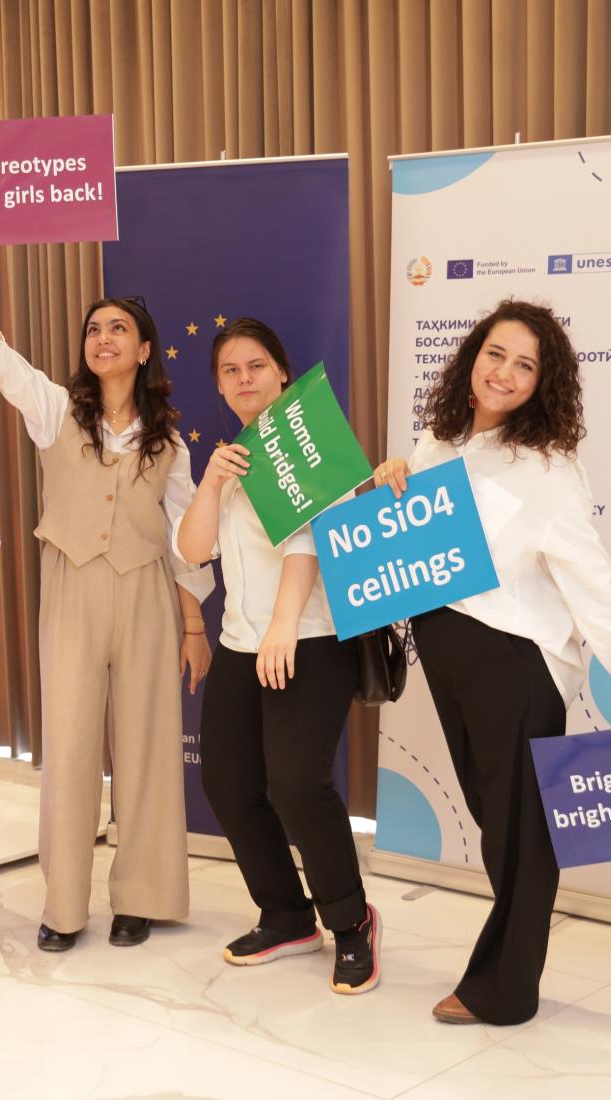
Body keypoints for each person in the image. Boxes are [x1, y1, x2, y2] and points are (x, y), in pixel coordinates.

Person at [372, 299, 611, 1025]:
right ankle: (506, 977)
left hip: (514, 665)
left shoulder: (546, 469)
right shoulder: (440, 440)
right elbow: (412, 523)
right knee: (497, 822)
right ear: (473, 357)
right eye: (495, 354)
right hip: (451, 661)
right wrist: (391, 475)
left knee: (520, 833)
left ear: (543, 384)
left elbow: (593, 583)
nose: (504, 372)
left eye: (525, 364)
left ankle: (502, 992)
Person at [0, 216, 213, 951]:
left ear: (144, 349)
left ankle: (141, 897)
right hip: (72, 592)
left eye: (118, 328)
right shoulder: (56, 409)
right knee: (69, 745)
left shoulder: (172, 442)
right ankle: (63, 907)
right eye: (94, 329)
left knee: (150, 747)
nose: (103, 338)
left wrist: (193, 626)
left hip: (148, 593)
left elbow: (187, 544)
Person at [174, 318, 380, 994]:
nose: (244, 380)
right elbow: (193, 550)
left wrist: (285, 626)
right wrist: (210, 486)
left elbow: (311, 540)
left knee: (297, 784)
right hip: (241, 642)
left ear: (282, 374)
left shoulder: (313, 443)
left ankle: (351, 923)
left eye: (256, 366)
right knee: (227, 784)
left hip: (310, 641)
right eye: (230, 371)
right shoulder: (235, 459)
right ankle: (287, 915)